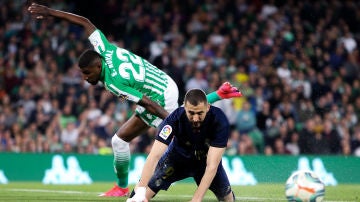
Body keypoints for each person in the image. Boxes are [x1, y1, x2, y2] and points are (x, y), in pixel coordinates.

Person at [27, 3, 242, 197]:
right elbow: (85, 22)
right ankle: (121, 188)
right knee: (119, 141)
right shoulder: (103, 49)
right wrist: (49, 12)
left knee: (175, 134)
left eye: (86, 73)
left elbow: (148, 103)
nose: (85, 78)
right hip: (161, 81)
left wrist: (174, 121)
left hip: (160, 95)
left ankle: (151, 185)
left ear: (98, 66)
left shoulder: (114, 82)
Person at [127, 89, 235, 202]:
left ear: (208, 107)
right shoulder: (174, 119)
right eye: (191, 113)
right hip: (176, 160)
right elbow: (154, 156)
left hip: (205, 162)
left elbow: (212, 166)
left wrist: (196, 199)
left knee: (227, 199)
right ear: (184, 108)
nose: (195, 118)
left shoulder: (219, 120)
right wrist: (140, 192)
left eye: (200, 113)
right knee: (141, 197)